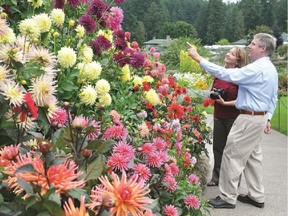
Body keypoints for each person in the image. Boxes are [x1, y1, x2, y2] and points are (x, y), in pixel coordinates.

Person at [187, 33, 278, 209]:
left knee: (231, 155)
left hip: (248, 119)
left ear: (262, 48)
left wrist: (199, 58)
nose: (249, 46)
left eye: (253, 43)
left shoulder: (257, 68)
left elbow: (225, 74)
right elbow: (272, 97)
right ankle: (256, 196)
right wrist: (269, 117)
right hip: (258, 118)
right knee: (253, 158)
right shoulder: (270, 69)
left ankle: (228, 198)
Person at [207, 47, 248, 187]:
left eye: (231, 53)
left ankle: (232, 181)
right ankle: (216, 178)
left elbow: (243, 99)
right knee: (218, 148)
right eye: (228, 52)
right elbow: (212, 91)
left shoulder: (241, 77)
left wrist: (225, 102)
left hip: (234, 117)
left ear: (238, 60)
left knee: (233, 151)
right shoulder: (219, 74)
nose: (227, 54)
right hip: (218, 116)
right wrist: (214, 94)